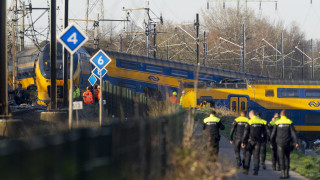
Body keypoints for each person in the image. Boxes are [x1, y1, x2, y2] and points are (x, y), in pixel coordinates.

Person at [270, 110, 299, 179]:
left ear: (280, 115)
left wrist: (271, 143)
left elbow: (273, 134)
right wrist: (296, 142)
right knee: (287, 158)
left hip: (279, 143)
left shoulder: (277, 123)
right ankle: (287, 173)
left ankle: (283, 174)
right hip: (288, 143)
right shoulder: (289, 122)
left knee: (281, 158)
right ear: (286, 115)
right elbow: (293, 133)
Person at [241, 110, 267, 176]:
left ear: (250, 115)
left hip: (250, 141)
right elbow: (265, 132)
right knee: (256, 157)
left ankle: (246, 170)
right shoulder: (261, 122)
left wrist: (243, 141)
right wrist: (263, 139)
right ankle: (256, 171)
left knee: (248, 155)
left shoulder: (249, 122)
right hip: (258, 141)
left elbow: (245, 133)